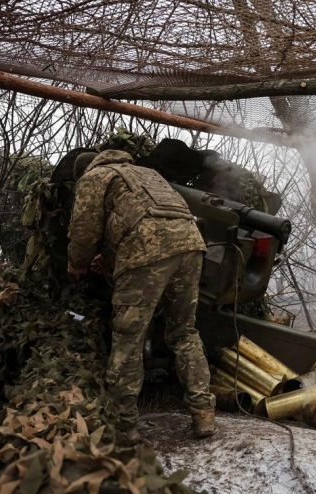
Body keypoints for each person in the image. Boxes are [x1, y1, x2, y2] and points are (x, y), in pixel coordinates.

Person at [67, 149, 216, 445]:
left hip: (147, 250)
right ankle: (203, 414)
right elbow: (141, 218)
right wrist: (110, 259)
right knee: (184, 332)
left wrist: (77, 264)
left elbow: (84, 230)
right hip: (190, 246)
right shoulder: (147, 174)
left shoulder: (94, 177)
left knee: (128, 337)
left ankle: (123, 427)